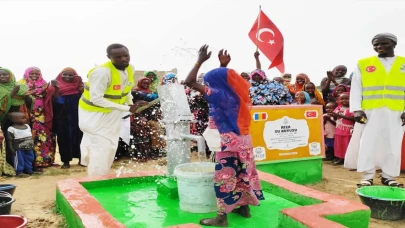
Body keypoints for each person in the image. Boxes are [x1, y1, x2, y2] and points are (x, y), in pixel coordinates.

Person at [184, 45, 264, 227]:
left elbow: (189, 81)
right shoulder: (237, 92)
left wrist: (199, 61)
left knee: (224, 177)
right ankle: (244, 208)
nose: (207, 84)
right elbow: (225, 80)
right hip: (243, 140)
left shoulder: (219, 94)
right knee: (243, 173)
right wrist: (222, 67)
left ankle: (221, 217)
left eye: (209, 81)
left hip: (228, 142)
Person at [78, 43, 147, 177]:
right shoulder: (102, 73)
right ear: (109, 57)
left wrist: (132, 104)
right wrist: (127, 108)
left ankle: (98, 177)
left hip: (111, 114)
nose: (123, 59)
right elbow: (96, 99)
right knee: (101, 150)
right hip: (94, 116)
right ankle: (96, 183)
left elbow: (125, 90)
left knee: (109, 148)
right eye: (118, 57)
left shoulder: (130, 69)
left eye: (126, 55)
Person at [349, 33, 404, 187]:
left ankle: (389, 176)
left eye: (383, 44)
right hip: (370, 111)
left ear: (394, 44)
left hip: (397, 111)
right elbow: (356, 88)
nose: (379, 47)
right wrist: (357, 110)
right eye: (376, 45)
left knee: (393, 144)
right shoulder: (363, 63)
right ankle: (367, 176)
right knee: (368, 142)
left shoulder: (403, 63)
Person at [20, 67, 57, 168]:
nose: (35, 75)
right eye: (32, 73)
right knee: (30, 135)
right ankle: (31, 163)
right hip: (27, 113)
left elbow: (50, 95)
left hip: (42, 113)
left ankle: (45, 160)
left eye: (37, 73)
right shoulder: (22, 84)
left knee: (44, 135)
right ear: (27, 73)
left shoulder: (44, 83)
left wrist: (51, 88)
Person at [0, 68, 33, 174]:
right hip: (5, 119)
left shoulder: (22, 87)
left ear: (10, 76)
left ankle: (27, 167)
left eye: (5, 75)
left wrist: (27, 96)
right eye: (0, 75)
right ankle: (11, 165)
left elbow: (29, 102)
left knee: (24, 143)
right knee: (8, 142)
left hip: (21, 118)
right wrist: (11, 95)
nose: (2, 77)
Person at [53, 67, 84, 169]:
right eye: (65, 74)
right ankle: (66, 161)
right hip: (62, 118)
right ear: (60, 75)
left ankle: (82, 159)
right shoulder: (56, 86)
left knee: (79, 137)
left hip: (77, 117)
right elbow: (55, 100)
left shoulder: (78, 87)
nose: (67, 76)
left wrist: (80, 85)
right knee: (63, 138)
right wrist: (56, 88)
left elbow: (85, 98)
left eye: (70, 75)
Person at [6, 112, 35, 177]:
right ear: (14, 120)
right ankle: (19, 172)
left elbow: (30, 136)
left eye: (25, 117)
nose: (25, 119)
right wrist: (11, 148)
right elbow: (9, 140)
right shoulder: (11, 129)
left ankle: (29, 169)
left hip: (29, 147)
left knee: (29, 158)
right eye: (23, 118)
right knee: (19, 160)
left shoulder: (27, 126)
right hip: (18, 148)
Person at [329, 93, 354, 166]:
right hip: (338, 130)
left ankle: (346, 159)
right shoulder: (338, 108)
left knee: (346, 144)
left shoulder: (352, 109)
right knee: (339, 145)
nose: (344, 100)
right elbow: (336, 118)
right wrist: (333, 115)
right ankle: (340, 158)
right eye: (342, 99)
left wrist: (339, 115)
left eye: (347, 99)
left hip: (348, 131)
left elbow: (354, 118)